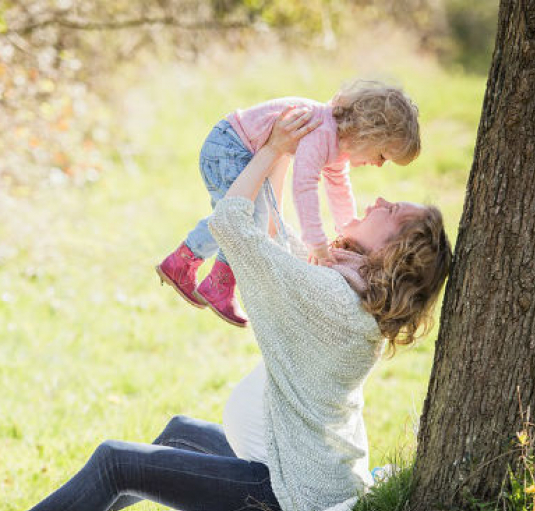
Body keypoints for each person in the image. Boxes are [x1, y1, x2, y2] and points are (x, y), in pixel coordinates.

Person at [0, 107, 451, 511]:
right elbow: (278, 239)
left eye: (394, 211)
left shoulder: (331, 297)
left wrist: (276, 150)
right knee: (177, 434)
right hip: (302, 466)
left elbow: (234, 224)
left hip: (289, 493)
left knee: (117, 461)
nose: (379, 198)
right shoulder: (350, 294)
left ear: (394, 252)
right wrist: (282, 156)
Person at [156, 80, 420, 328]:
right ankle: (211, 279)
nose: (378, 164)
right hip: (229, 148)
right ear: (367, 133)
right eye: (382, 155)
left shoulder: (337, 143)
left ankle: (190, 267)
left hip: (238, 149)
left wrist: (347, 231)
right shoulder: (322, 132)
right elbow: (304, 187)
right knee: (243, 217)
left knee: (243, 216)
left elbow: (339, 190)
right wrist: (317, 244)